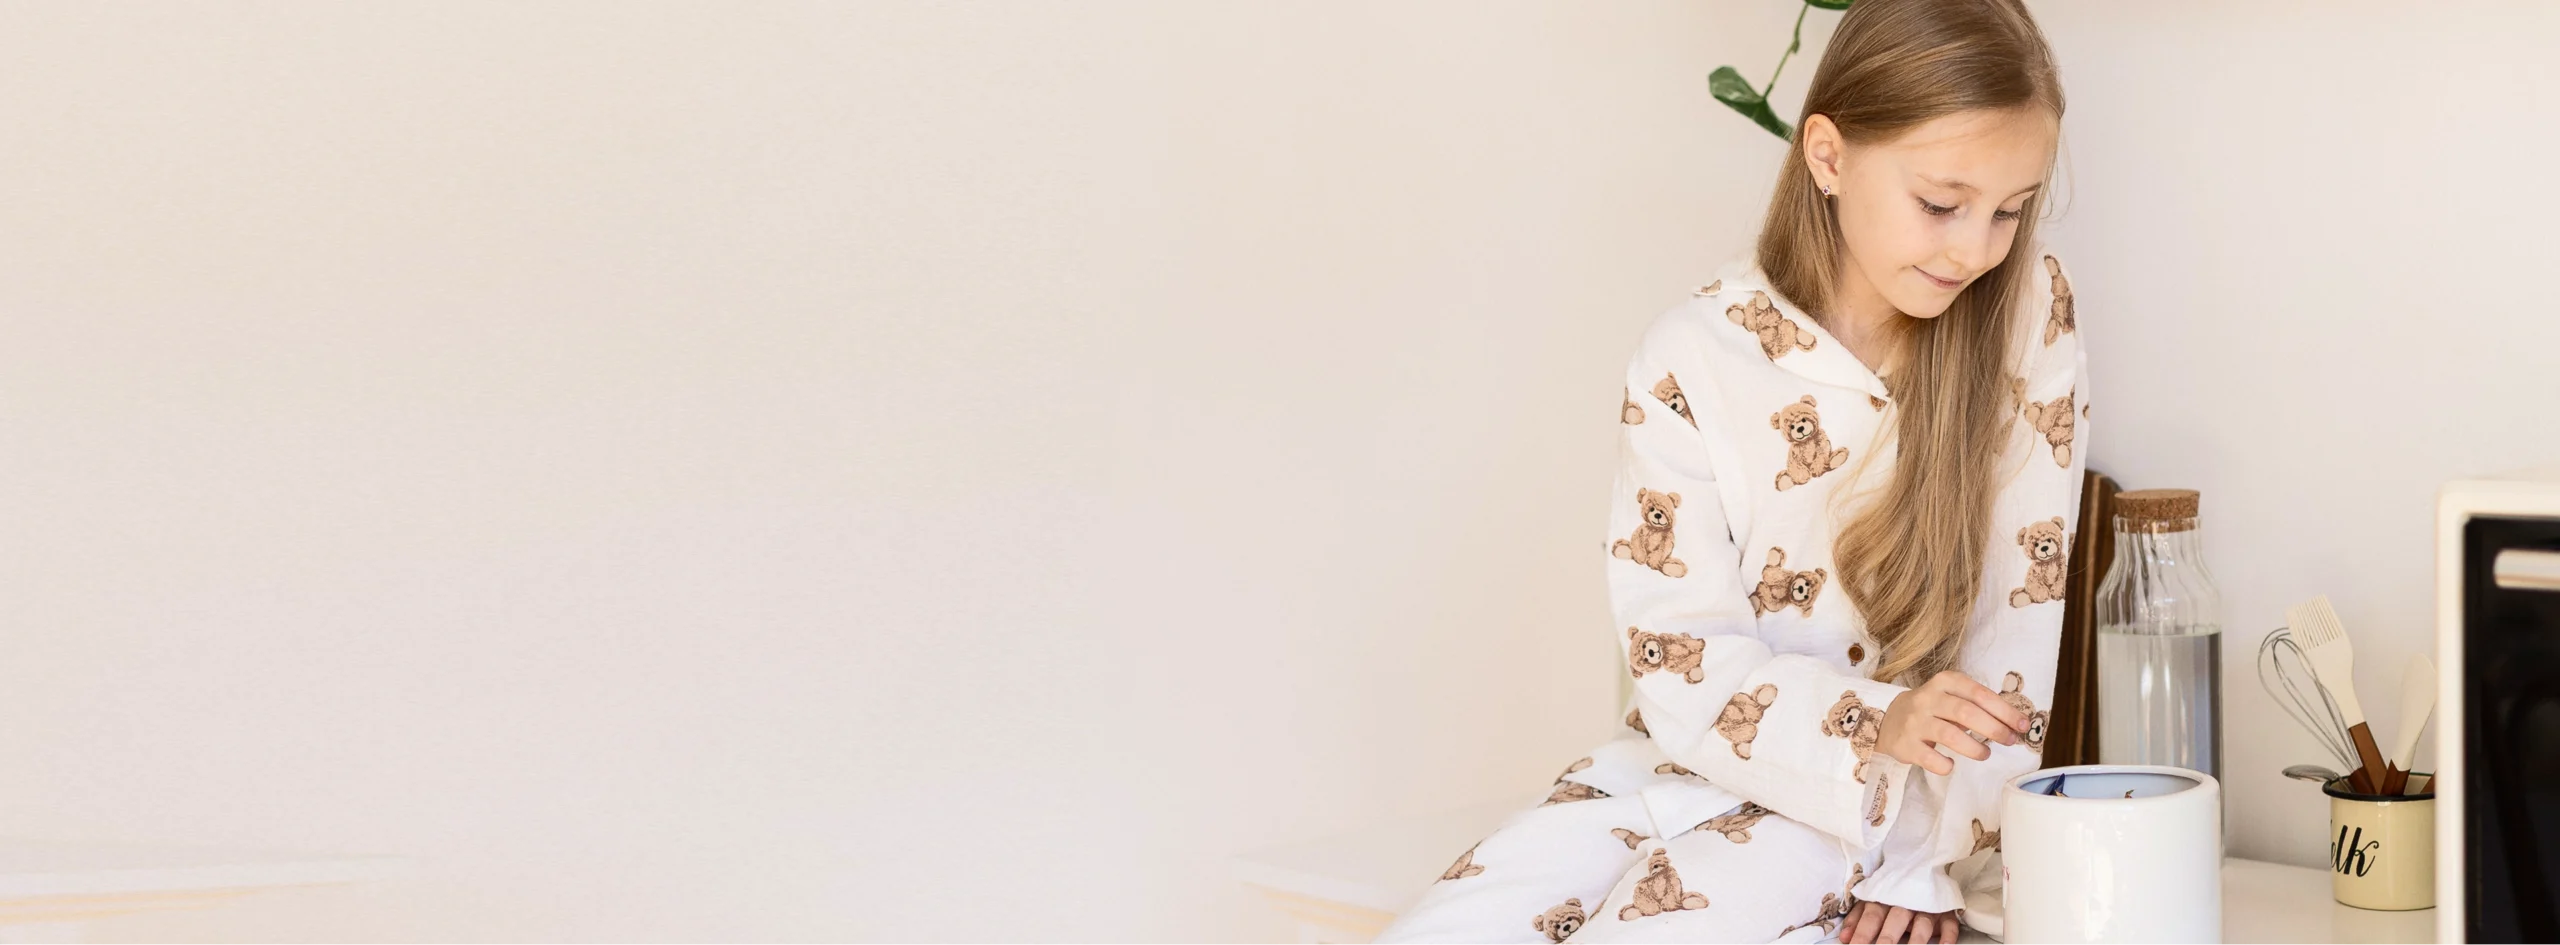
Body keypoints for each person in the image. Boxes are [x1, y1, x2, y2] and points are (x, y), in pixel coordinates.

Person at [1370, 1, 2087, 943]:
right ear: (1828, 157)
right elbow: (1680, 649)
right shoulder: (1691, 355)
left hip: (1870, 812)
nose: (1976, 248)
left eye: (2010, 210)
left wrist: (1924, 861)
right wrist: (1867, 716)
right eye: (1941, 204)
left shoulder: (2024, 313)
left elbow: (2014, 633)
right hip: (1667, 768)